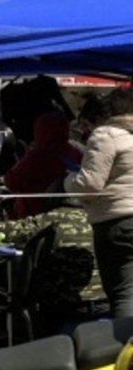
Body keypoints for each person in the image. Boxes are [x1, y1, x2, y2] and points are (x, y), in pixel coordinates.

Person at [65, 87, 133, 317]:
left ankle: (127, 349)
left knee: (123, 294)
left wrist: (68, 180)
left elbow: (90, 185)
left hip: (116, 222)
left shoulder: (107, 135)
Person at [4, 111, 77, 218]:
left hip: (37, 215)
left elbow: (12, 181)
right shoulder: (76, 151)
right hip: (70, 214)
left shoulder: (36, 155)